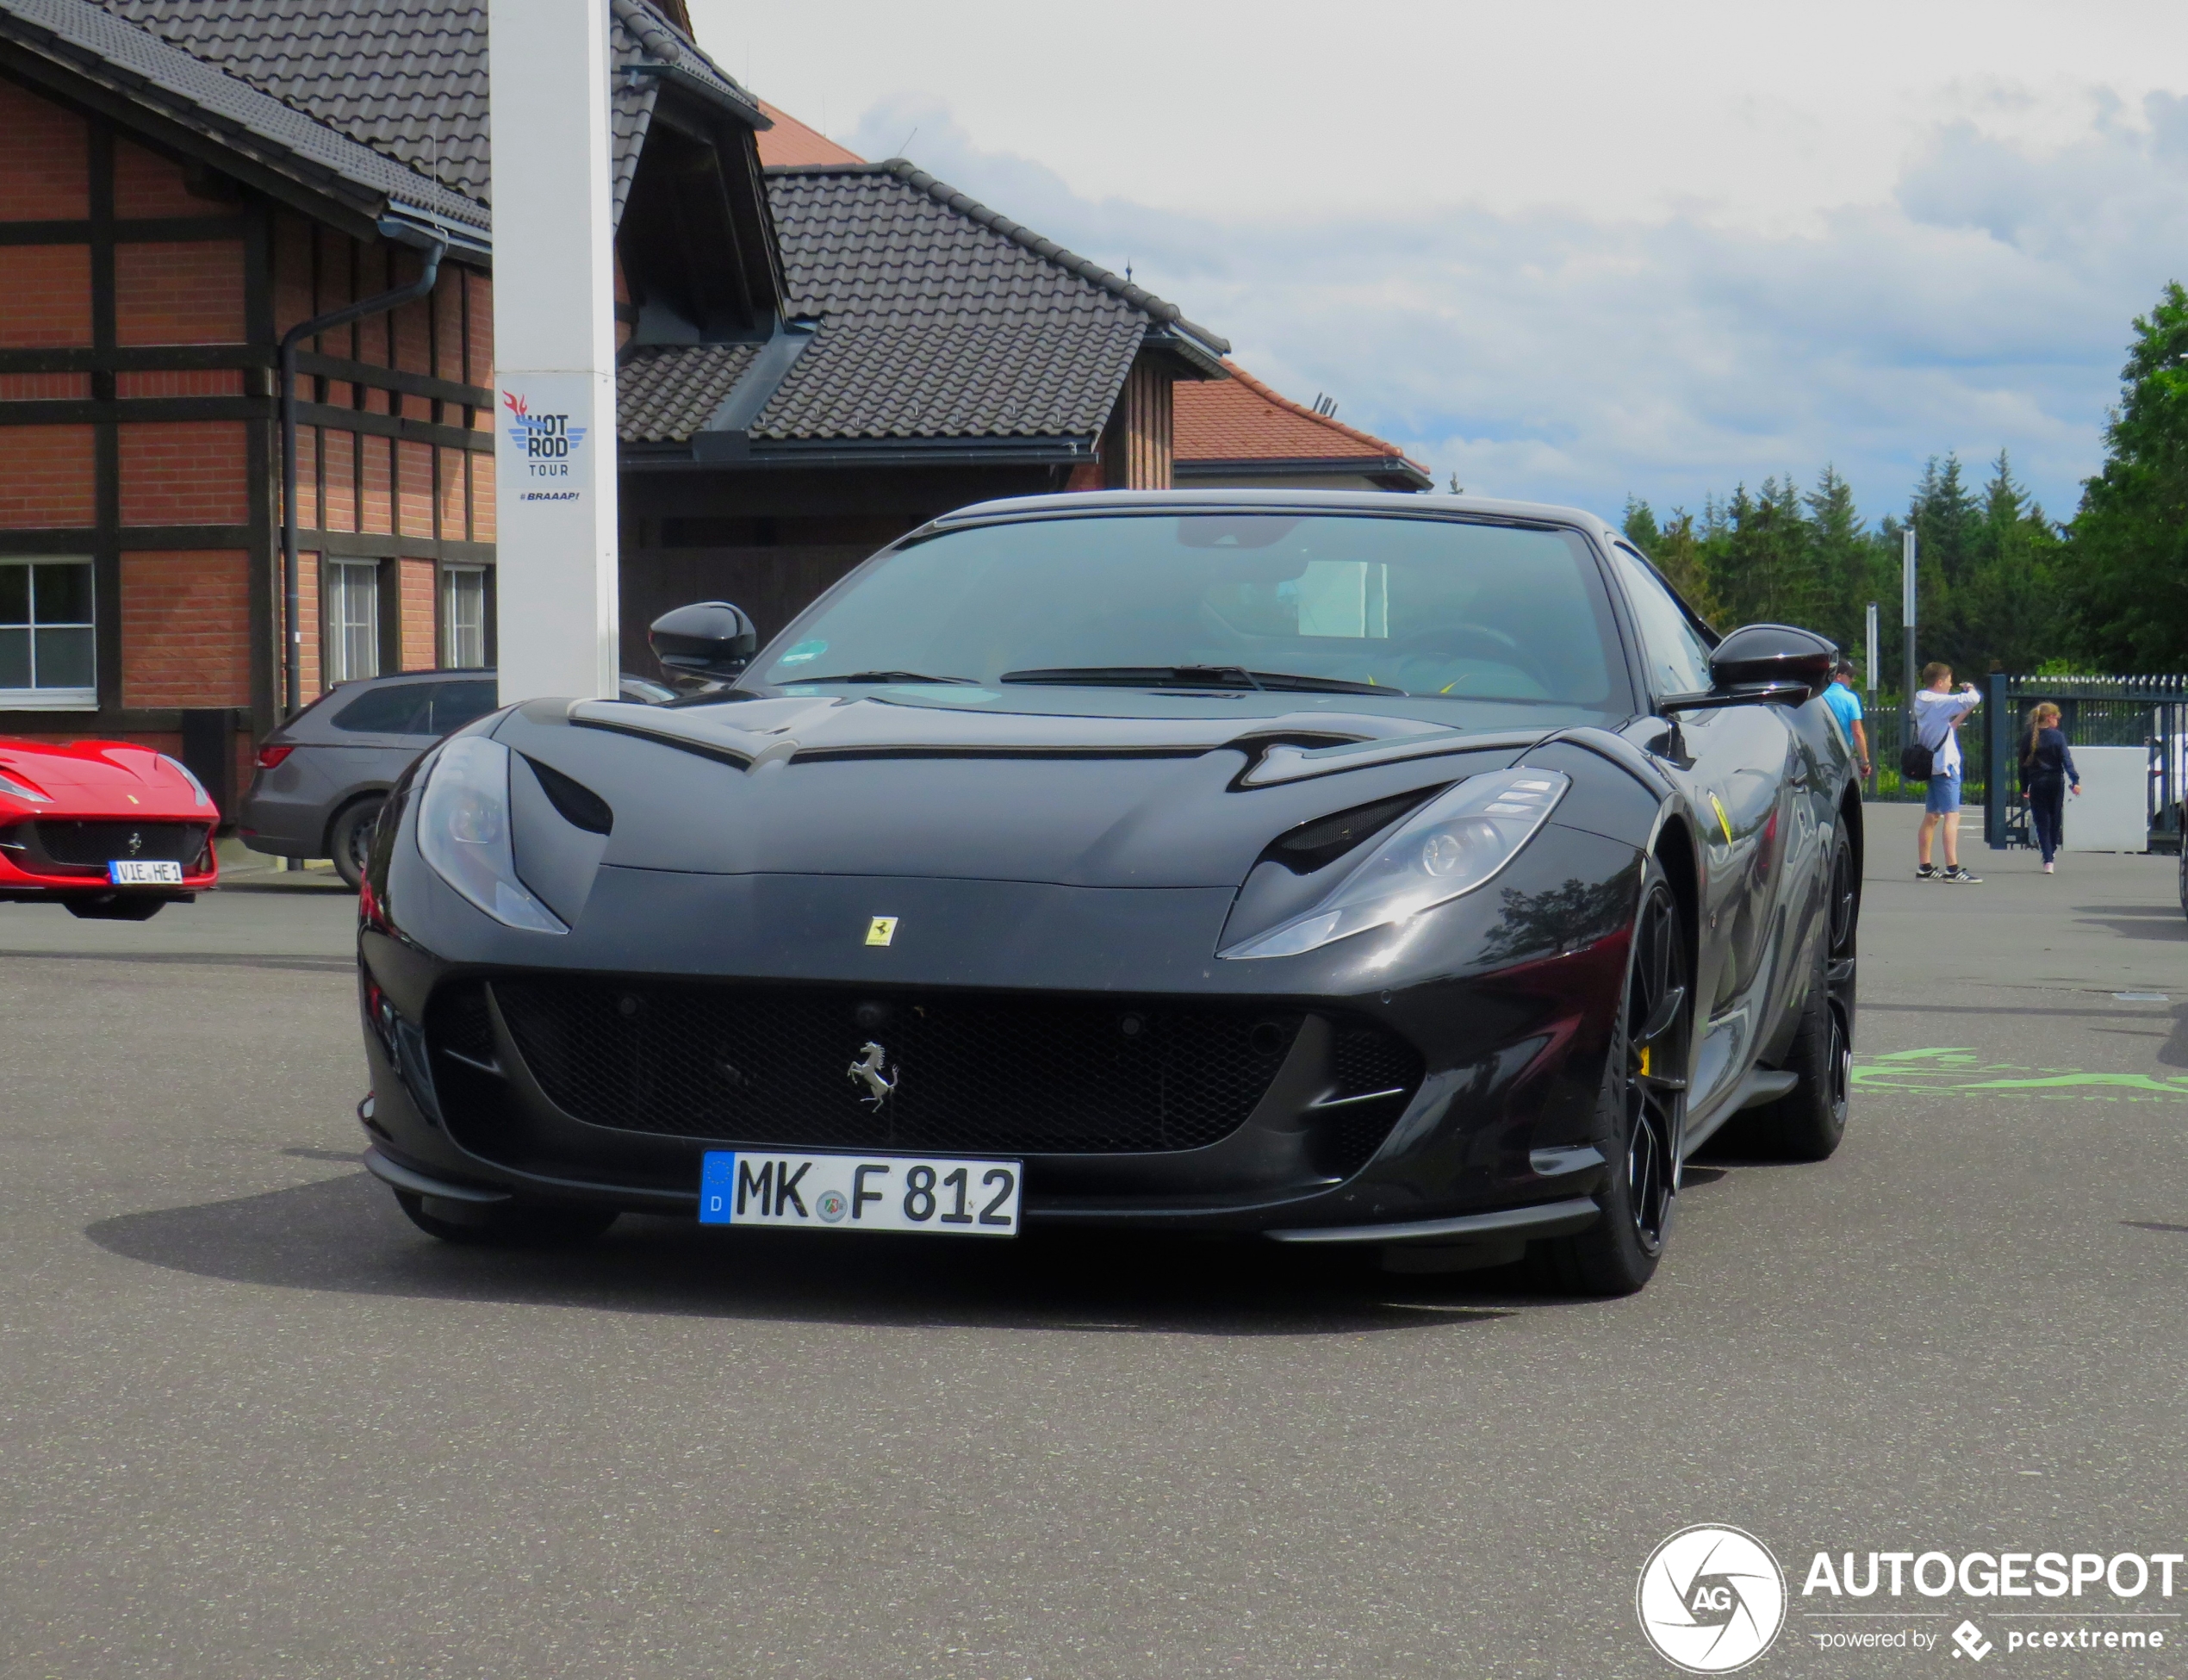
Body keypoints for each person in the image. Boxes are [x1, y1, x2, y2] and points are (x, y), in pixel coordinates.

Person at [1913, 663, 1982, 882]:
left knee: (1932, 816)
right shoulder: (1938, 701)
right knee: (1952, 816)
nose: (1951, 685)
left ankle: (1925, 866)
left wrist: (1964, 710)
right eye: (1949, 681)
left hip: (1932, 766)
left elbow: (1947, 727)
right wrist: (1970, 689)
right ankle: (1953, 868)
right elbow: (1974, 698)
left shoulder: (1922, 700)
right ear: (1940, 682)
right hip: (1946, 766)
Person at [2018, 700, 2080, 874]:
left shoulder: (2028, 737)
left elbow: (2022, 765)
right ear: (2050, 718)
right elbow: (2066, 759)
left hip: (2037, 783)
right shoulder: (2057, 737)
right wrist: (2075, 780)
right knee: (2055, 819)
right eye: (2057, 717)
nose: (2058, 721)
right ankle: (2051, 850)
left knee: (2042, 821)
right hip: (2055, 781)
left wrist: (2024, 787)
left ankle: (2048, 859)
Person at [1821, 658, 1870, 780]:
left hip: (1818, 753)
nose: (1853, 680)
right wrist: (1865, 762)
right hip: (1842, 755)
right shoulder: (1850, 699)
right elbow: (1857, 733)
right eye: (1850, 676)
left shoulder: (1817, 696)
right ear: (1838, 676)